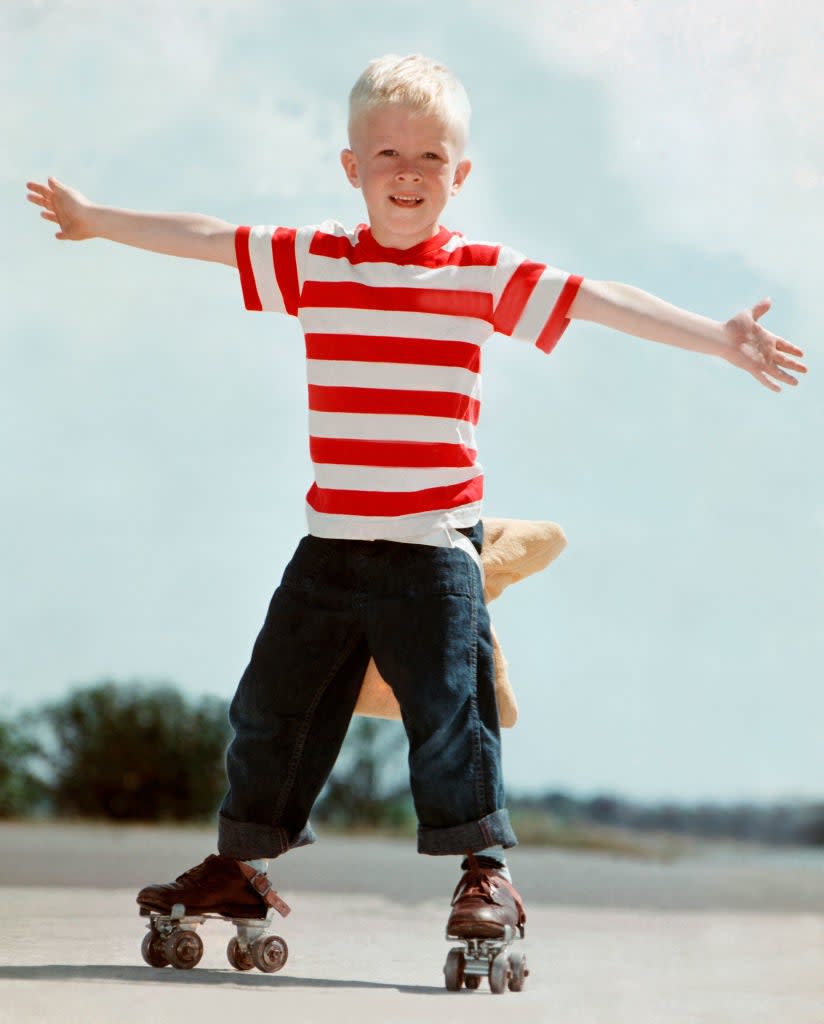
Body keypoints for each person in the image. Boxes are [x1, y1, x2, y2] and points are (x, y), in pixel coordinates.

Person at [27, 54, 806, 957]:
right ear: (351, 168)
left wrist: (718, 337)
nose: (408, 172)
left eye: (430, 157)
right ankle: (241, 865)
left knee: (449, 717)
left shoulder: (479, 274)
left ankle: (485, 872)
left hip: (434, 549)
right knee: (271, 710)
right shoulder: (316, 260)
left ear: (459, 175)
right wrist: (95, 221)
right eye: (387, 152)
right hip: (328, 547)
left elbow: (597, 299)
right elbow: (209, 236)